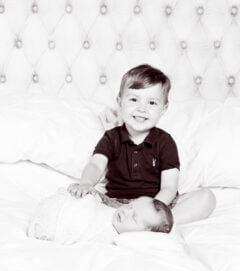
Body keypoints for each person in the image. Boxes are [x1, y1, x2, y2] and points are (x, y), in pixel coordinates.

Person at [68, 64, 216, 226]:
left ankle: (154, 225)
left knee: (207, 198)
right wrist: (87, 183)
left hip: (158, 203)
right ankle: (134, 224)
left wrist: (150, 209)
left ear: (164, 108)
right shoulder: (112, 137)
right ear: (120, 102)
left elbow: (169, 186)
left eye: (152, 103)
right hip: (118, 205)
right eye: (133, 99)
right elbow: (96, 164)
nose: (142, 109)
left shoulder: (165, 141)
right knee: (74, 197)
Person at [28, 190, 173, 244]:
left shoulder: (118, 239)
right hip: (62, 207)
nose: (125, 212)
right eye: (130, 206)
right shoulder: (114, 213)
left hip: (57, 227)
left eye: (134, 218)